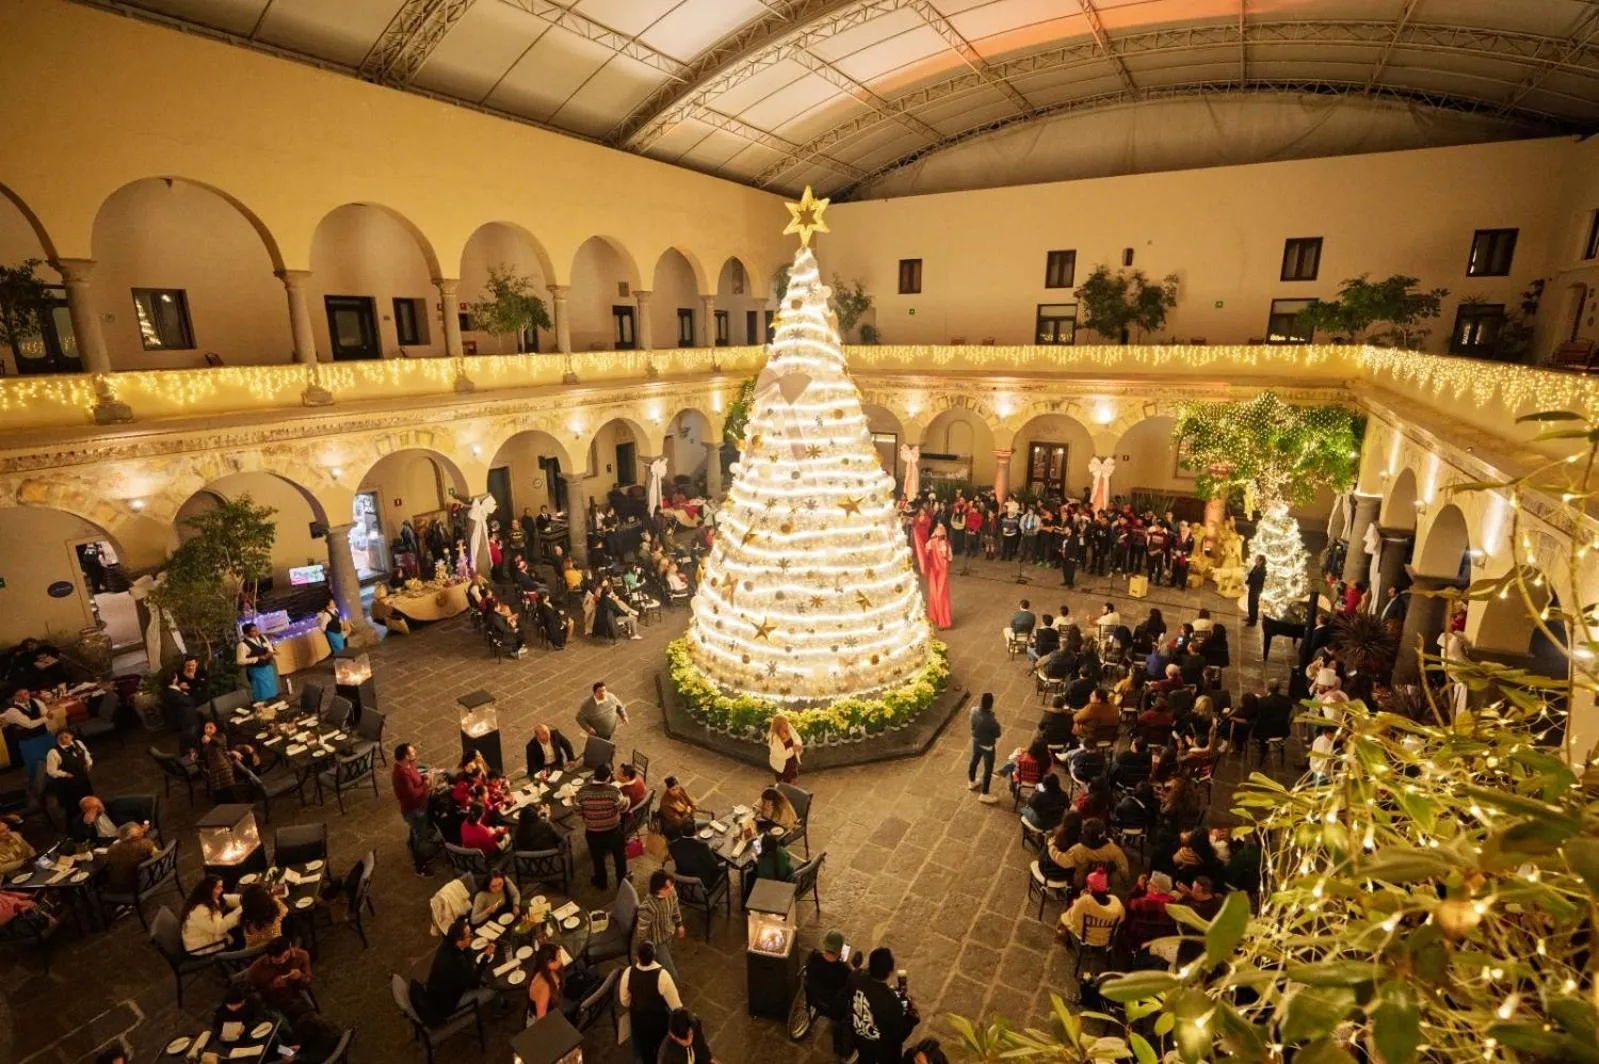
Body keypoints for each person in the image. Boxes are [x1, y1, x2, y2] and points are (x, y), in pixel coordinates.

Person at [847, 947, 918, 1064]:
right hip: (882, 1051)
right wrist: (912, 1018)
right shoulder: (892, 1002)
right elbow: (898, 1035)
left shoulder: (855, 977)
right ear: (890, 972)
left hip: (859, 1037)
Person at [621, 939, 682, 1063]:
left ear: (638, 956)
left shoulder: (628, 973)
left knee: (646, 1052)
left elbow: (624, 1001)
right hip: (659, 1022)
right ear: (654, 956)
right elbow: (676, 1006)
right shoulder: (663, 976)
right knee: (661, 1049)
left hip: (639, 1023)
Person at [427, 917, 497, 1019]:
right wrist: (486, 956)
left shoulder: (447, 944)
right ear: (459, 941)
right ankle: (498, 1010)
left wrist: (467, 947)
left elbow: (467, 957)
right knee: (492, 989)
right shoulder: (456, 963)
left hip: (437, 994)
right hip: (446, 1007)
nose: (472, 937)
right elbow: (474, 984)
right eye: (469, 936)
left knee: (481, 978)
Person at [804, 929, 856, 1056]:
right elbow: (853, 981)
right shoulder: (843, 971)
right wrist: (850, 966)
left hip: (814, 999)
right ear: (839, 950)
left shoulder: (814, 958)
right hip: (835, 1010)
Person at [577, 763, 630, 889]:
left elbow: (577, 811)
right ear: (608, 777)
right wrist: (627, 799)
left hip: (593, 832)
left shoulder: (582, 792)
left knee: (597, 858)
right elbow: (623, 808)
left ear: (595, 775)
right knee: (619, 857)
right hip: (613, 831)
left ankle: (601, 882)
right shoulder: (613, 792)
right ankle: (622, 883)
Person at [391, 743, 436, 876]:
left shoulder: (408, 766)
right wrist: (426, 784)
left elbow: (416, 779)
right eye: (411, 752)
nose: (415, 753)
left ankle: (411, 843)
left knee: (415, 831)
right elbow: (413, 794)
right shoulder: (402, 774)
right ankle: (420, 866)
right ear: (406, 756)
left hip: (418, 807)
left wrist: (424, 777)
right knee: (420, 838)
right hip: (415, 810)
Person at [637, 868, 687, 983]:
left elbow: (675, 909)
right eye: (666, 887)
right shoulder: (647, 908)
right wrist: (644, 953)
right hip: (656, 942)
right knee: (672, 976)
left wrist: (679, 924)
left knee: (662, 965)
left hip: (668, 934)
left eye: (671, 885)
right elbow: (641, 933)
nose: (671, 889)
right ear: (657, 889)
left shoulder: (672, 893)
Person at [246, 937, 315, 1019]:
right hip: (272, 1002)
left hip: (297, 995)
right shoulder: (255, 970)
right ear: (269, 956)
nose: (282, 961)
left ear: (290, 947)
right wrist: (272, 986)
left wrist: (300, 976)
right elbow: (252, 994)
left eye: (285, 956)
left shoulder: (302, 955)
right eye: (277, 960)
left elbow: (309, 981)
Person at [1059, 867, 1125, 946]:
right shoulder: (1116, 903)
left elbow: (1073, 918)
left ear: (1090, 887)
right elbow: (1121, 919)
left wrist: (1079, 900)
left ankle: (1064, 935)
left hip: (1087, 935)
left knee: (1070, 909)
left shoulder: (1085, 901)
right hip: (1105, 937)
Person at [1061, 817, 1131, 890]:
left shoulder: (1076, 849)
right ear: (1102, 834)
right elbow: (1124, 869)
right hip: (1106, 883)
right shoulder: (1113, 849)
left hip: (1083, 884)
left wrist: (1052, 848)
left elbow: (1065, 862)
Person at [1, 687, 52, 784]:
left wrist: (45, 716)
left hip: (44, 736)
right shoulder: (12, 711)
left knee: (51, 759)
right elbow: (30, 725)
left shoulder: (36, 701)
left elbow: (46, 712)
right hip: (29, 741)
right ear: (14, 697)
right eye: (19, 695)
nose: (24, 697)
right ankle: (39, 788)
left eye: (25, 693)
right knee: (36, 765)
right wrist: (45, 718)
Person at [180, 875, 242, 955]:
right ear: (209, 890)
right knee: (237, 934)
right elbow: (220, 927)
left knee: (233, 922)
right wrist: (242, 908)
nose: (222, 889)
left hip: (199, 935)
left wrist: (242, 899)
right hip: (199, 946)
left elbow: (224, 899)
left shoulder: (203, 898)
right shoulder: (200, 911)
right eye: (218, 888)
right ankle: (238, 952)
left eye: (221, 887)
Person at [967, 692, 1002, 804]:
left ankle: (971, 781)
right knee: (988, 769)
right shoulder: (991, 720)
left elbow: (972, 725)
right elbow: (997, 734)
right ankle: (984, 793)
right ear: (991, 704)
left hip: (976, 741)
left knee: (974, 760)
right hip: (987, 746)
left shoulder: (973, 711)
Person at [102, 820, 156, 891]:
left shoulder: (112, 849)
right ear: (137, 835)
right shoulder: (147, 844)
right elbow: (157, 856)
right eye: (140, 829)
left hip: (121, 884)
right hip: (143, 882)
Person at [237, 622, 279, 702]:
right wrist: (257, 658)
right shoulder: (242, 645)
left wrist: (270, 652)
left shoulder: (262, 637)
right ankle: (263, 706)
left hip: (268, 668)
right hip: (256, 670)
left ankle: (274, 702)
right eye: (253, 631)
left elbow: (269, 647)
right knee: (261, 691)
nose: (256, 632)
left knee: (272, 688)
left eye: (257, 630)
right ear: (246, 633)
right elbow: (240, 661)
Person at [526, 942, 567, 1023]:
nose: (561, 959)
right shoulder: (545, 987)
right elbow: (541, 1018)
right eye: (558, 956)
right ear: (549, 963)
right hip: (546, 1013)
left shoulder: (545, 970)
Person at [239, 881, 289, 948]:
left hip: (255, 954)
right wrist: (274, 897)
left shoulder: (246, 921)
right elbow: (285, 909)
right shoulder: (275, 918)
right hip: (277, 948)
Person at [924, 524, 953, 629]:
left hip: (936, 570)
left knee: (935, 594)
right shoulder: (944, 544)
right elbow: (949, 558)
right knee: (940, 595)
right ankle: (941, 620)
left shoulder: (932, 542)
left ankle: (937, 619)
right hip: (940, 571)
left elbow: (925, 552)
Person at [767, 714, 803, 783]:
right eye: (784, 723)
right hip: (781, 764)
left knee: (793, 778)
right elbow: (781, 755)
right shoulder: (774, 739)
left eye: (786, 722)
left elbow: (796, 737)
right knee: (783, 783)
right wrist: (792, 749)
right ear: (778, 726)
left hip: (792, 760)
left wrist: (798, 744)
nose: (787, 724)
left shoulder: (788, 727)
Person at [1245, 555, 1267, 626]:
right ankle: (1250, 617)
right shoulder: (1255, 567)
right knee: (1250, 603)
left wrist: (1250, 581)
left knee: (1254, 604)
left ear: (1261, 561)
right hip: (1252, 588)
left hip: (1256, 589)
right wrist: (1248, 581)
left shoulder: (1262, 570)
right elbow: (1251, 575)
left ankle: (1253, 621)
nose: (1255, 560)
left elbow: (1257, 580)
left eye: (1257, 559)